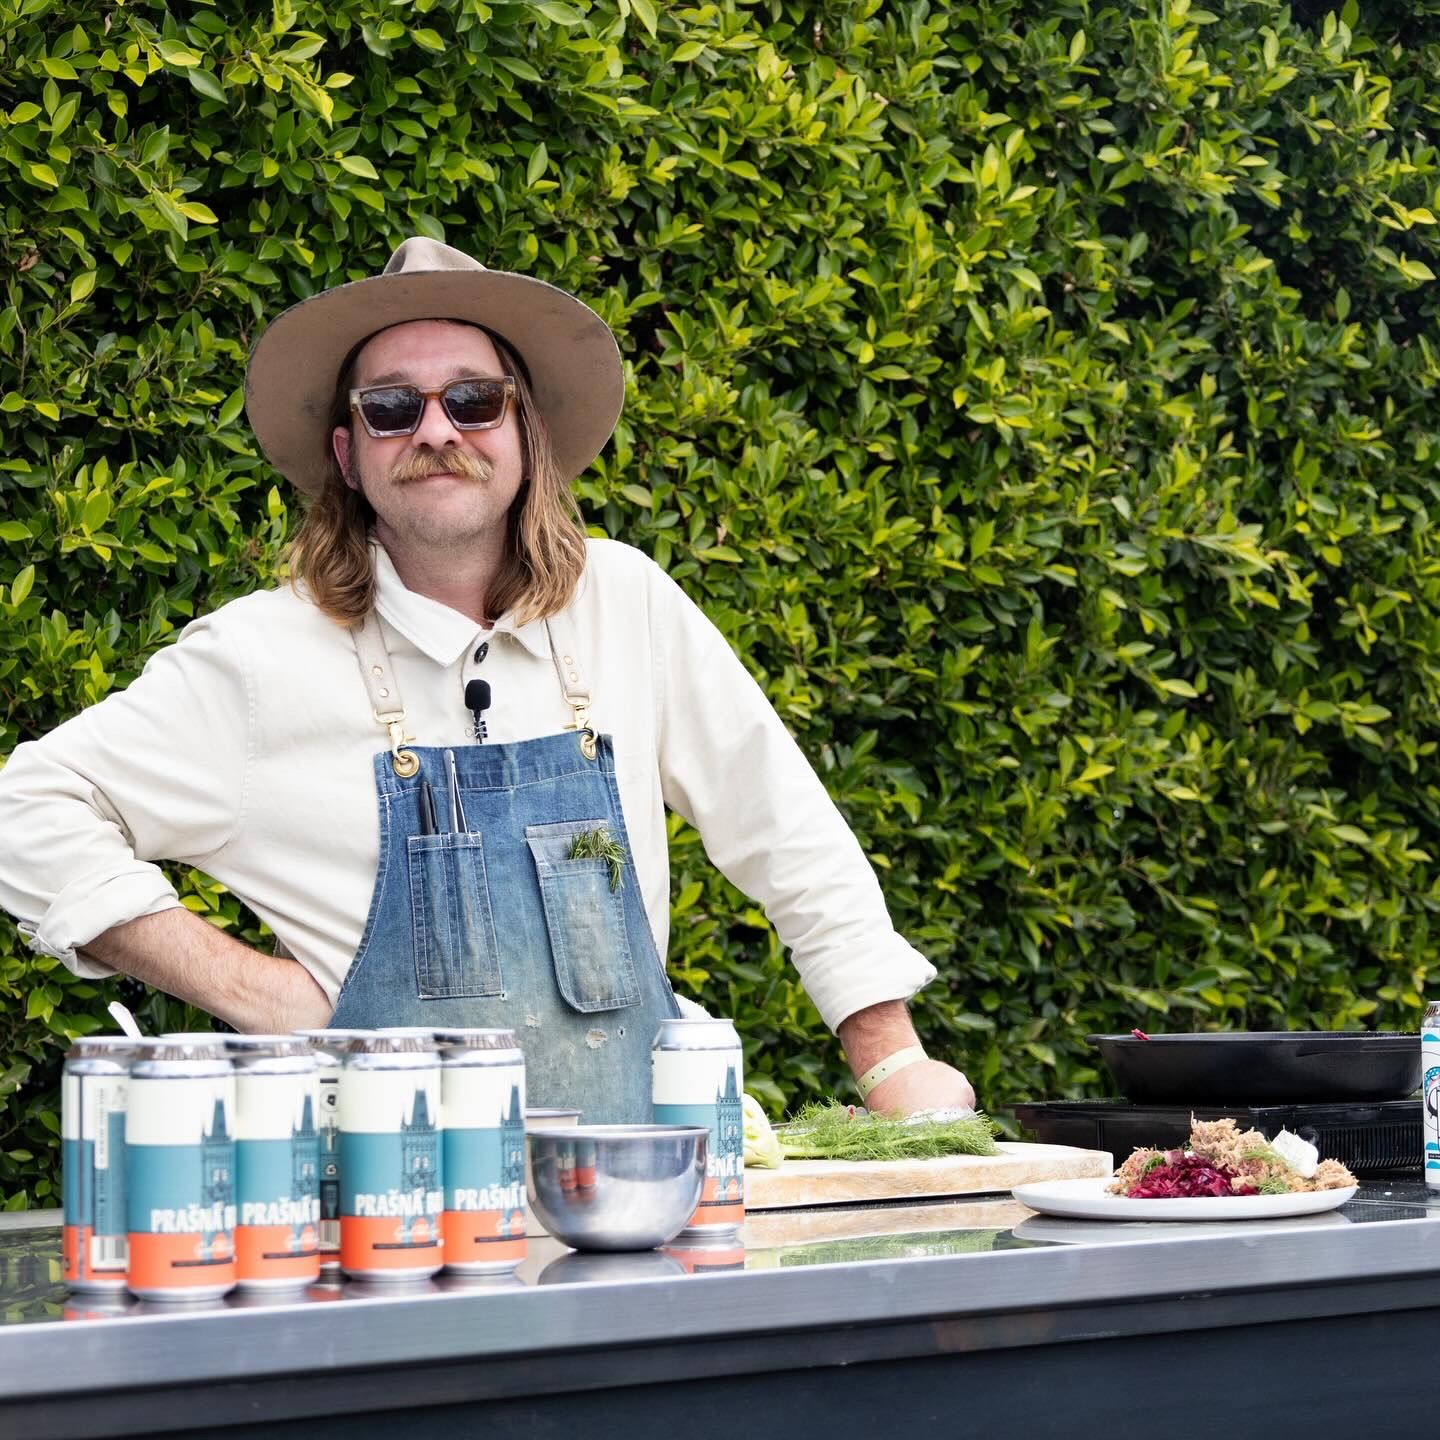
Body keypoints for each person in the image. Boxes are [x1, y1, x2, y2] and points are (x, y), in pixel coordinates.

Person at [0, 238, 975, 1123]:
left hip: (631, 1188)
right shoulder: (258, 658)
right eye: (390, 407)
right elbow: (23, 808)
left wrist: (890, 1058)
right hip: (379, 1212)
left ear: (525, 434)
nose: (436, 429)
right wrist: (255, 993)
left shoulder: (627, 603)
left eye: (474, 399)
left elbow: (787, 832)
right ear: (346, 453)